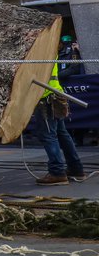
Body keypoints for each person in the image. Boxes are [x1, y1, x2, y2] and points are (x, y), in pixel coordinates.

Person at [34, 57, 85, 185]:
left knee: (48, 136)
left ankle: (57, 172)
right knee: (62, 134)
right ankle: (75, 169)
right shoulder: (49, 47)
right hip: (55, 93)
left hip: (45, 96)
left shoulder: (40, 49)